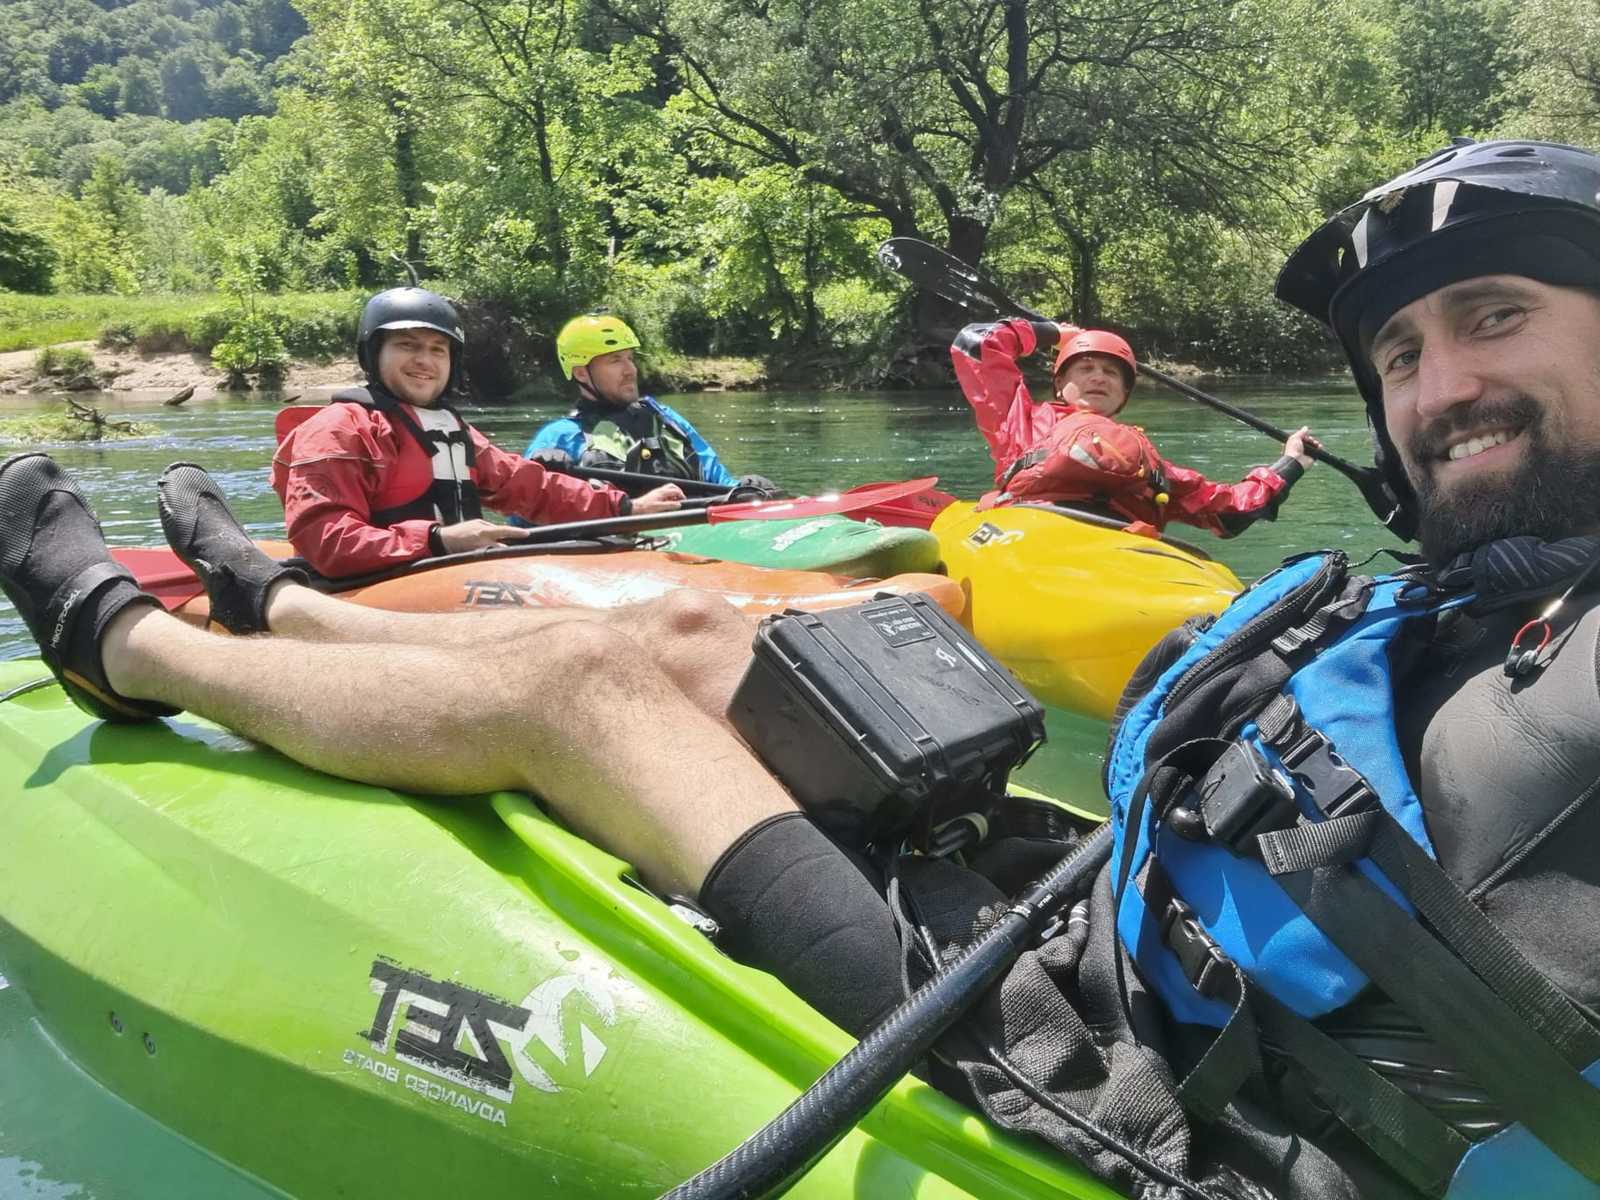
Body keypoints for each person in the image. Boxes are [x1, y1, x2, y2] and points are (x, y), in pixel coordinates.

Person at [6, 139, 1600, 1200]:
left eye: (1497, 318)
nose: (1439, 381)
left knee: (584, 695)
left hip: (1115, 1078)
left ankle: (135, 648)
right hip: (1089, 904)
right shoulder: (1482, 594)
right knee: (724, 629)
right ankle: (286, 612)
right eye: (1402, 351)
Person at [271, 289, 685, 578]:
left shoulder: (451, 429)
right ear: (373, 353)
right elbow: (325, 541)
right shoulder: (337, 429)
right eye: (407, 346)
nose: (424, 361)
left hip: (443, 574)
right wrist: (437, 540)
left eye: (438, 350)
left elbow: (531, 487)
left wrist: (627, 509)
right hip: (370, 588)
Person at [952, 317, 1319, 535]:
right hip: (1029, 529)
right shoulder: (1019, 420)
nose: (1099, 377)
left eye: (1112, 372)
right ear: (1060, 384)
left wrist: (1291, 463)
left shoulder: (1148, 464)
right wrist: (1055, 334)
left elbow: (1231, 511)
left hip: (1120, 547)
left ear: (1124, 394)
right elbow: (978, 343)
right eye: (1085, 368)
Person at [525, 313, 777, 494]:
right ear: (581, 373)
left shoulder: (665, 418)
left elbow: (718, 480)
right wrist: (542, 480)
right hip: (620, 549)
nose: (630, 369)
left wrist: (744, 489)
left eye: (630, 358)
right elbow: (521, 513)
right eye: (615, 360)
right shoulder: (559, 437)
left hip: (694, 535)